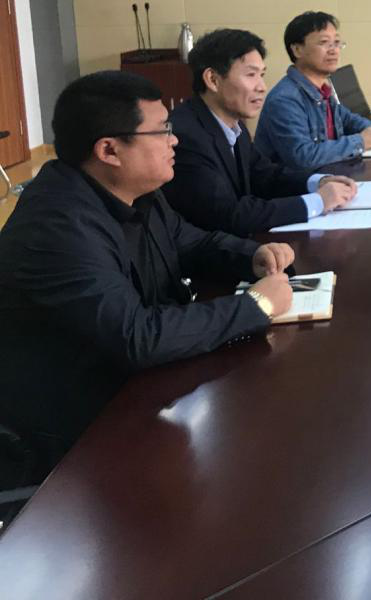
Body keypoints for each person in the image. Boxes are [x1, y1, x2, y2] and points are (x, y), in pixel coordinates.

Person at [0, 72, 296, 480]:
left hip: (137, 390)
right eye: (162, 131)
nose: (175, 141)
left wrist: (254, 257)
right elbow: (137, 337)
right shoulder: (58, 227)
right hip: (73, 437)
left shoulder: (135, 191)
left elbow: (193, 244)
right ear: (109, 150)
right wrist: (256, 305)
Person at [166, 28, 359, 235]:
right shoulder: (186, 136)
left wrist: (318, 182)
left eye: (262, 75)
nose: (262, 87)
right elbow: (228, 215)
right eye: (251, 75)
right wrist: (318, 202)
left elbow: (264, 175)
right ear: (213, 79)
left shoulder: (233, 124)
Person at [255, 11, 371, 168]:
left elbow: (349, 120)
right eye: (324, 42)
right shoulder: (285, 99)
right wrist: (361, 141)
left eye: (337, 42)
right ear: (297, 50)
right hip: (299, 183)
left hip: (329, 176)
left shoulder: (322, 91)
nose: (334, 50)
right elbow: (303, 157)